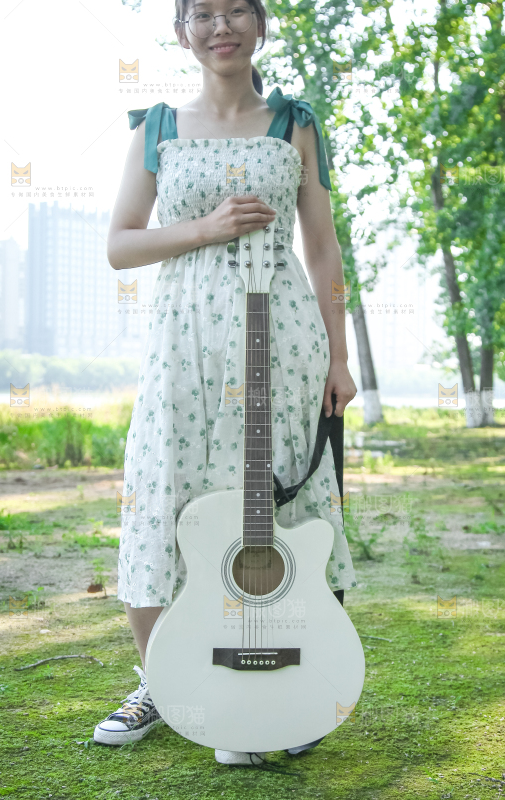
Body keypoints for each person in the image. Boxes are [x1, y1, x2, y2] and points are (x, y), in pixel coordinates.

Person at [93, 0, 358, 767]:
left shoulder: (295, 124)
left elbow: (323, 249)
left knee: (283, 509)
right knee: (162, 495)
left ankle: (294, 683)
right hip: (182, 346)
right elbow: (120, 244)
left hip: (283, 342)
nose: (221, 26)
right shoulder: (155, 128)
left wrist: (339, 358)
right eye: (202, 13)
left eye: (236, 9)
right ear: (182, 32)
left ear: (261, 23)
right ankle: (161, 681)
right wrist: (205, 229)